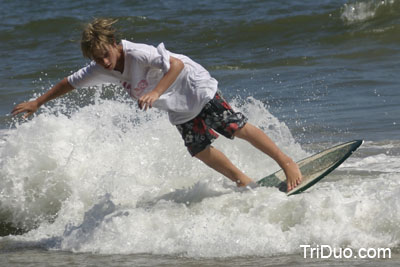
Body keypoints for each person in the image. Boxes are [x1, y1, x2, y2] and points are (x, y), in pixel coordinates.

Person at [12, 18, 302, 191]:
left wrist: (154, 93)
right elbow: (69, 82)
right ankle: (243, 181)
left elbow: (174, 65)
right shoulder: (99, 67)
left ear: (113, 43)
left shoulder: (136, 53)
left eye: (104, 54)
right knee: (199, 148)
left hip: (191, 84)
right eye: (96, 59)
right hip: (174, 102)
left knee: (233, 126)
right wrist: (38, 102)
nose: (102, 62)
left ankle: (285, 162)